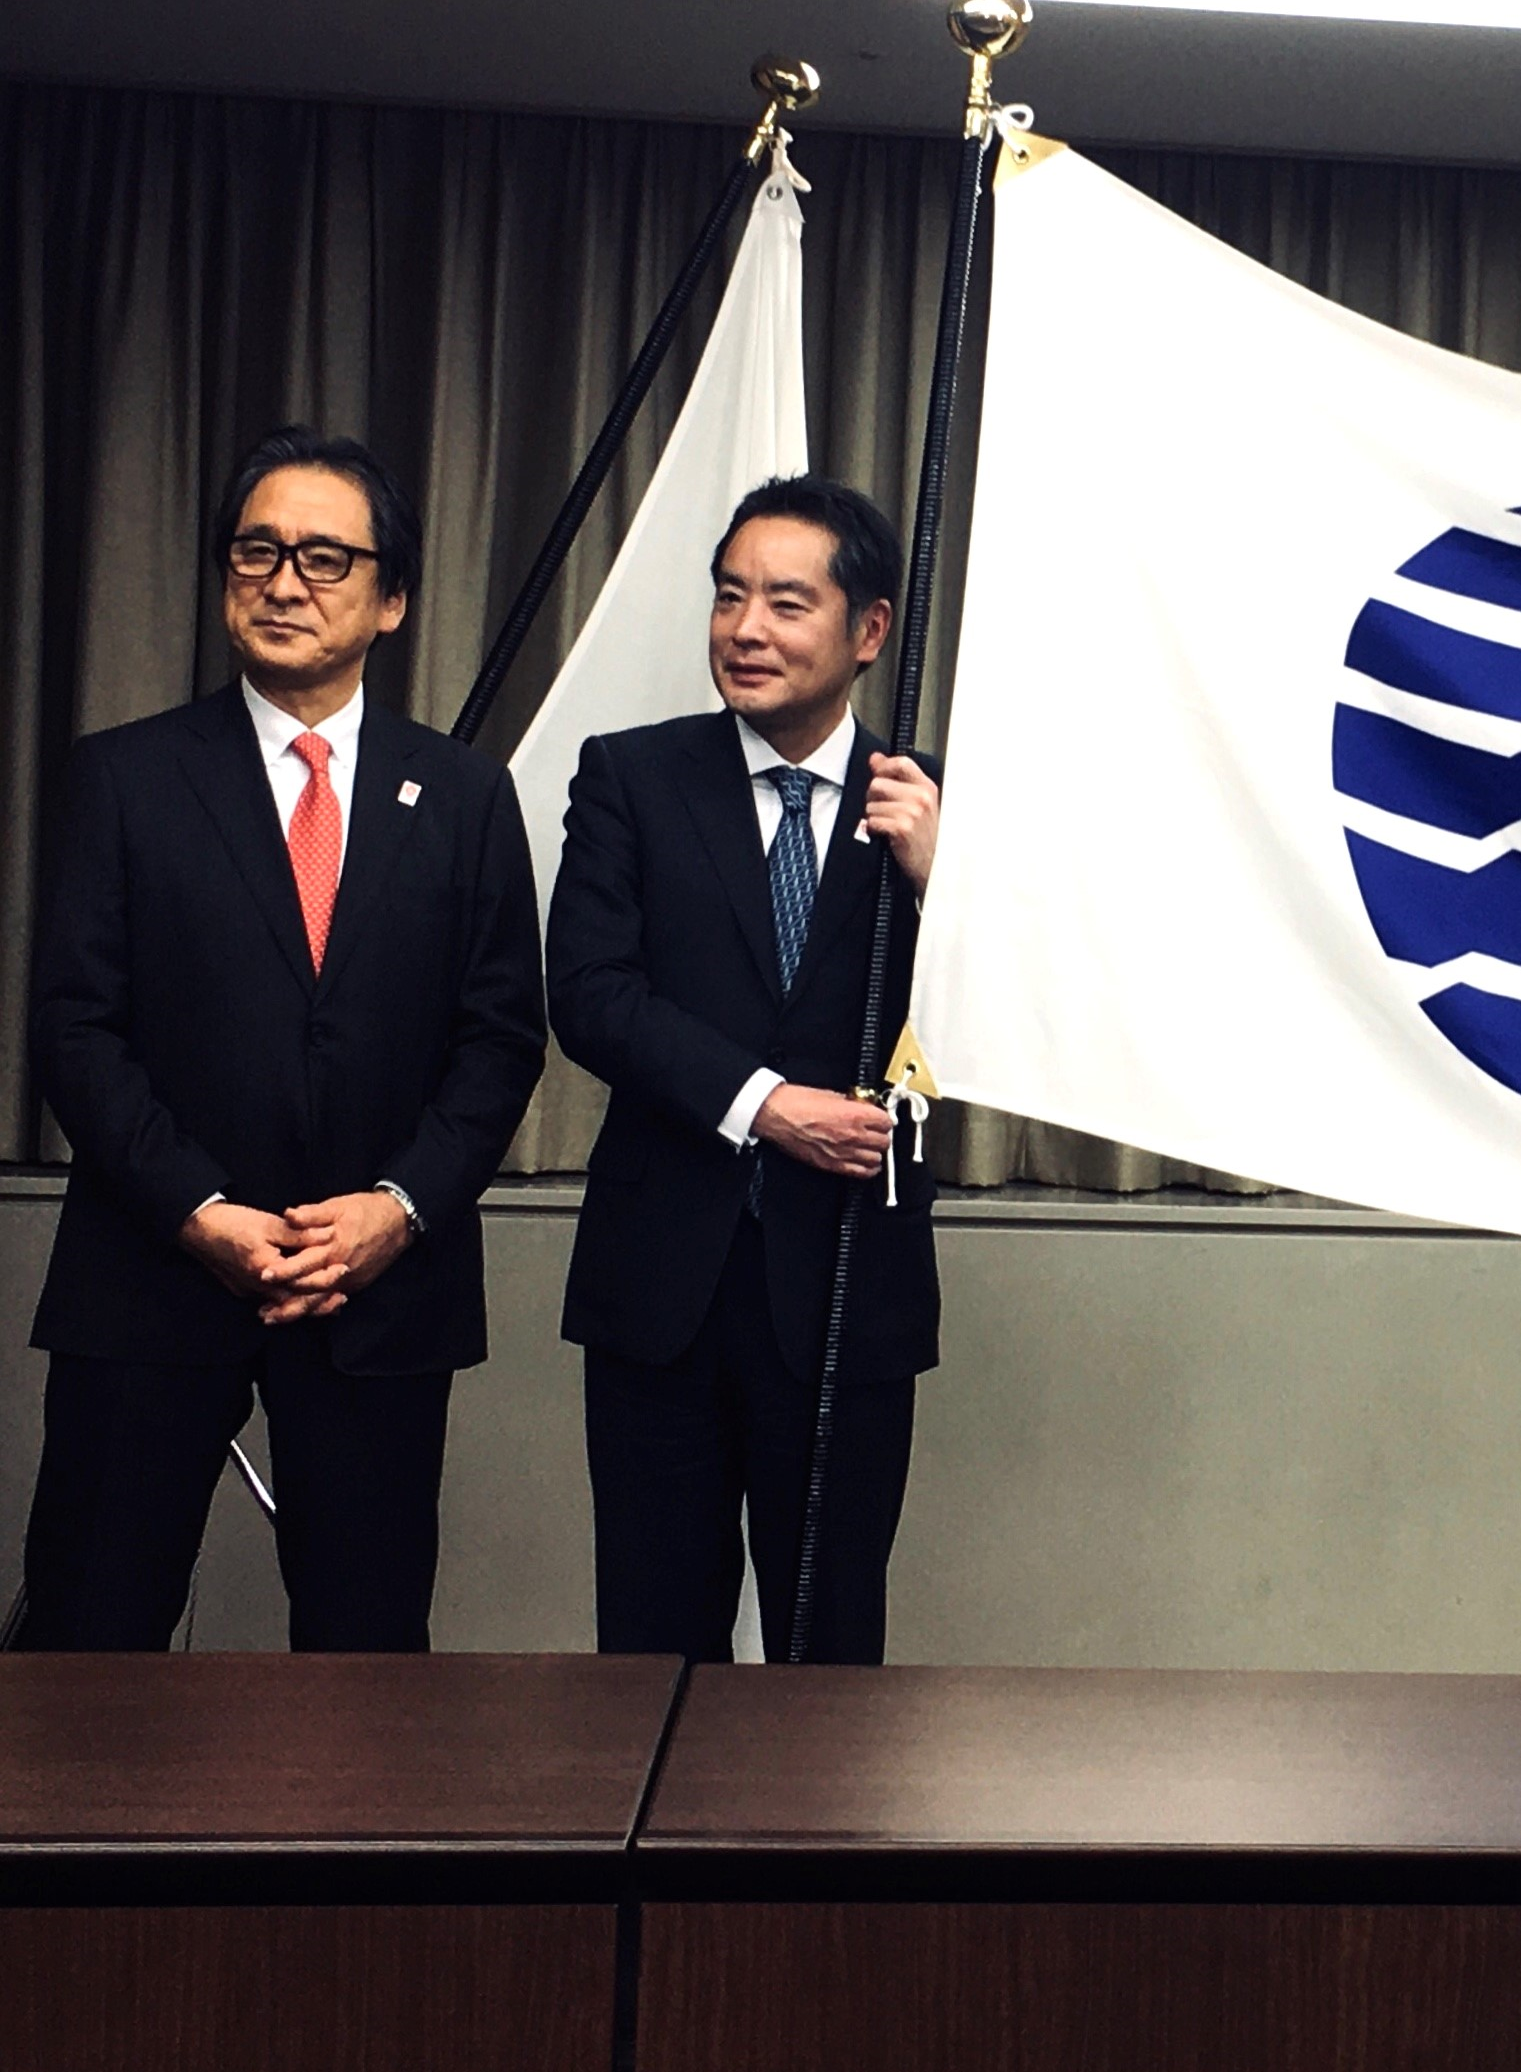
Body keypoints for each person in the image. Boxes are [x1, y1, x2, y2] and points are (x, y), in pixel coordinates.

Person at [22, 428, 545, 1649]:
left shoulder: (465, 797)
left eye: (324, 556)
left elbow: (500, 1038)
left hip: (376, 1294)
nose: (284, 581)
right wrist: (195, 1207)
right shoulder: (124, 777)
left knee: (364, 1663)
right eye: (257, 550)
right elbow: (73, 1027)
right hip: (151, 1277)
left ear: (392, 598)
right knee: (89, 1642)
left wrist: (398, 1207)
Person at [548, 475, 943, 1665]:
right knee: (653, 1648)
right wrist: (766, 1107)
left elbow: (1023, 1023)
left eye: (785, 601)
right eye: (728, 598)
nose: (747, 629)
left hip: (844, 1287)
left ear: (868, 630)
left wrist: (943, 886)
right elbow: (593, 998)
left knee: (831, 1654)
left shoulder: (927, 803)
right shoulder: (631, 776)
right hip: (660, 1286)